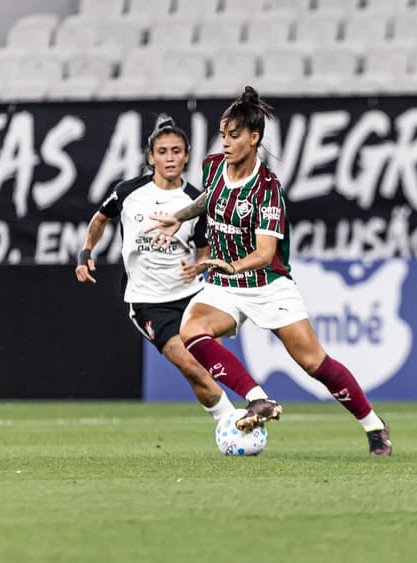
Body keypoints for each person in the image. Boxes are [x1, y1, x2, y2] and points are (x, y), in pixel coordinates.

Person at [147, 87, 392, 455]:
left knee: (314, 362)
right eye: (223, 134)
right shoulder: (214, 166)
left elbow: (265, 253)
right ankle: (258, 399)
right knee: (191, 331)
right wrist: (177, 217)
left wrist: (228, 263)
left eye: (234, 135)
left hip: (267, 285)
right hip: (224, 284)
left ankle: (373, 425)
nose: (225, 142)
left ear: (254, 138)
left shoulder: (266, 191)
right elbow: (210, 197)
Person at [76, 114, 282, 423]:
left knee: (202, 371)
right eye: (162, 151)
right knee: (189, 364)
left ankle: (231, 422)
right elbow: (101, 218)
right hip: (148, 301)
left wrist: (199, 267)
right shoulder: (128, 192)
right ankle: (235, 421)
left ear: (186, 156)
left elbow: (205, 249)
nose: (169, 157)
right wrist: (86, 251)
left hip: (192, 297)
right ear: (151, 157)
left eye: (176, 151)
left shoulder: (196, 200)